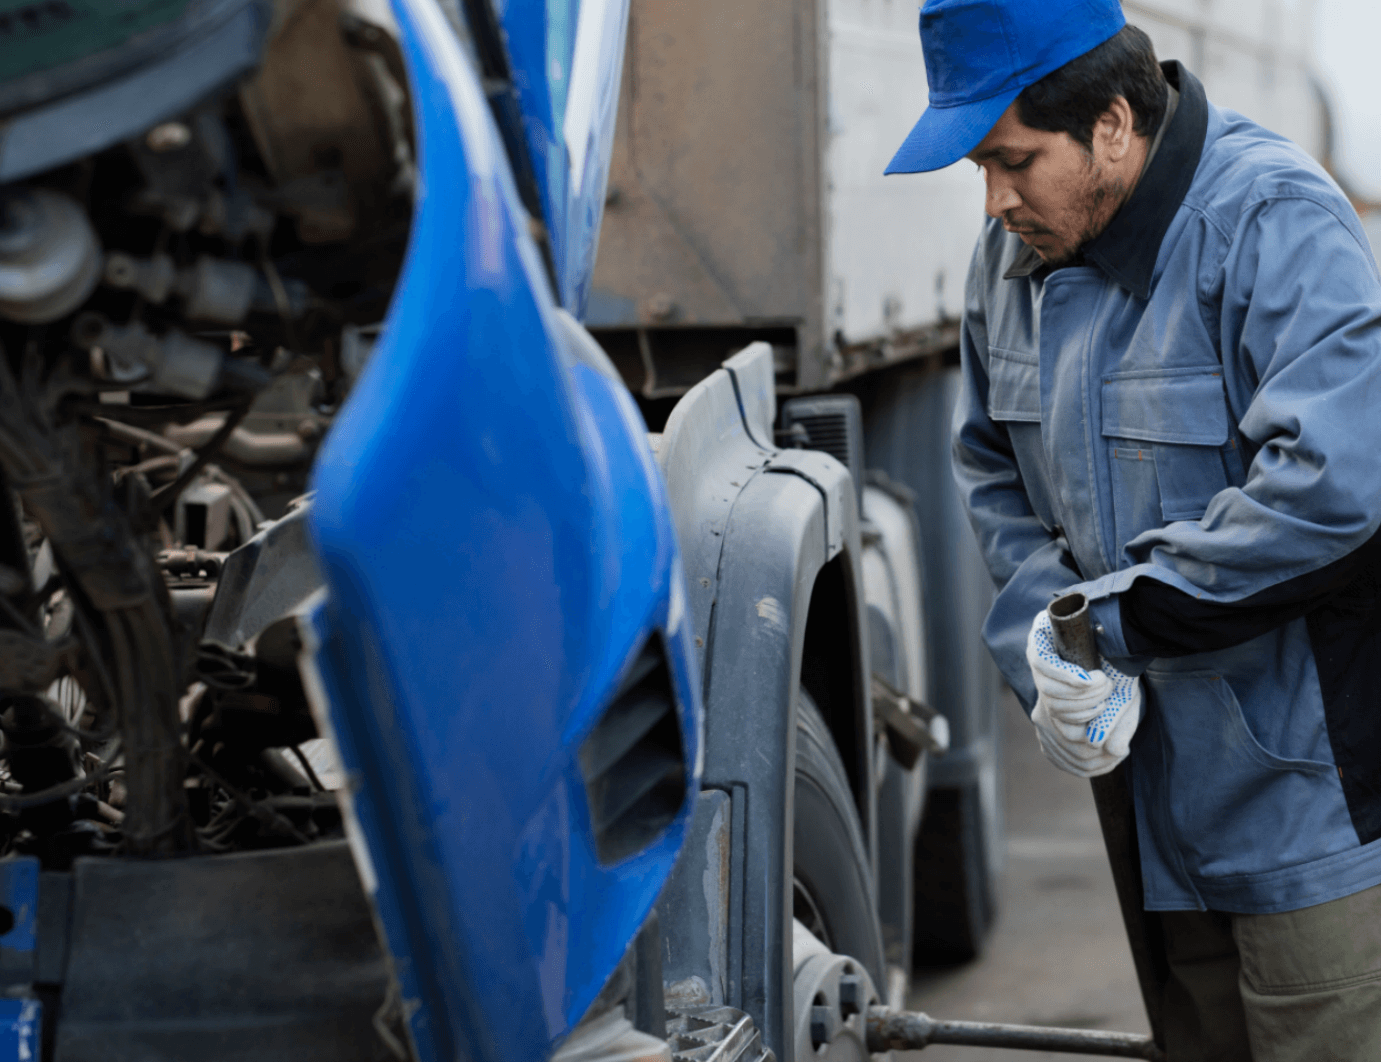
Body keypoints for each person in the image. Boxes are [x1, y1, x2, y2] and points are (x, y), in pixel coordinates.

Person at [885, 1, 1381, 1059]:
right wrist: (1042, 640)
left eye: (1014, 160)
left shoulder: (1269, 220)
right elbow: (990, 471)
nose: (994, 198)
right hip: (1154, 812)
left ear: (1112, 123)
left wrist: (1097, 626)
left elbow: (1337, 489)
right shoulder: (1011, 264)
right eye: (980, 166)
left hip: (1309, 806)